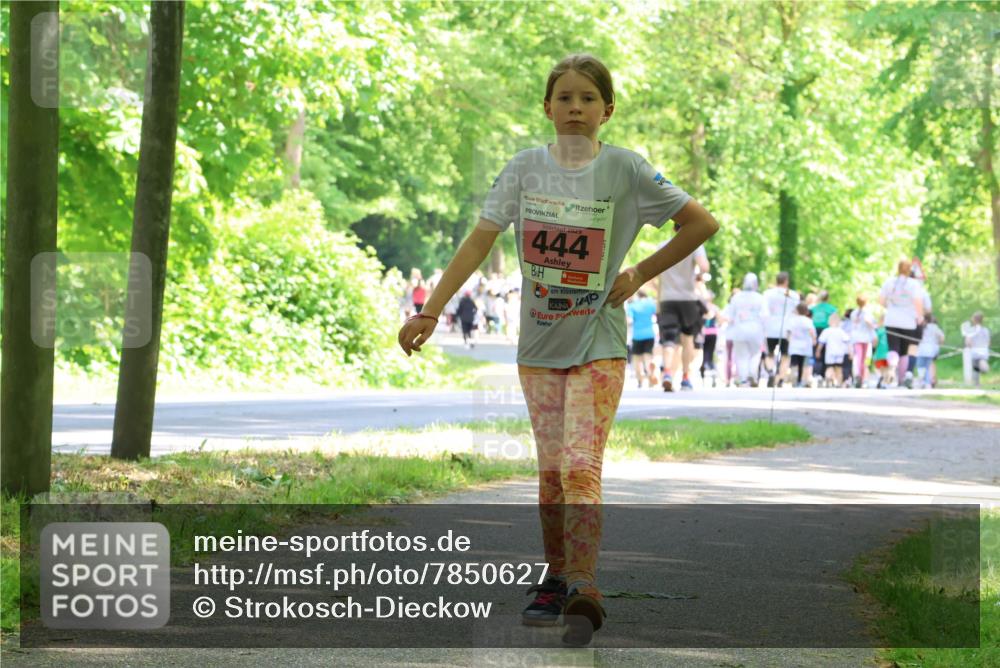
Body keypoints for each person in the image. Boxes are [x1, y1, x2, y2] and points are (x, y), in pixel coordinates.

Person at [397, 53, 719, 647]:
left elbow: (701, 222)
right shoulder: (524, 170)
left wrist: (639, 271)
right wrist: (431, 309)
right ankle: (555, 578)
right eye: (564, 97)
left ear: (607, 110)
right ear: (547, 108)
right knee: (551, 474)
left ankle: (584, 587)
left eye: (588, 98)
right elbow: (478, 242)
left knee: (580, 466)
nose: (575, 107)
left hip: (601, 339)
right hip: (539, 345)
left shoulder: (627, 169)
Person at [655, 229, 710, 392]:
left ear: (673, 229)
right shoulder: (695, 246)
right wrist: (698, 276)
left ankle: (667, 373)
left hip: (667, 297)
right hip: (687, 298)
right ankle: (685, 378)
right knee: (687, 339)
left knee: (669, 338)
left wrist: (659, 295)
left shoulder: (662, 246)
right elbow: (704, 267)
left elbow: (654, 273)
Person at [879, 259, 925, 388]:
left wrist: (891, 307)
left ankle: (892, 369)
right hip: (909, 321)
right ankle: (907, 375)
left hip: (892, 320)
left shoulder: (889, 282)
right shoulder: (913, 284)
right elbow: (918, 302)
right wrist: (919, 316)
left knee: (893, 348)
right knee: (908, 350)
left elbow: (881, 300)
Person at [722, 273, 769, 387]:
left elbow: (730, 316)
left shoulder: (736, 297)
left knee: (741, 355)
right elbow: (765, 315)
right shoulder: (760, 298)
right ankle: (752, 373)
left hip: (739, 330)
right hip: (756, 330)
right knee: (755, 354)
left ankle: (743, 379)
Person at [762, 271, 799, 388]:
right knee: (785, 355)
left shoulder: (767, 294)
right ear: (786, 281)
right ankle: (780, 378)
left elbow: (764, 312)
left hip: (770, 328)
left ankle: (771, 371)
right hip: (786, 328)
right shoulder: (793, 295)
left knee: (769, 354)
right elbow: (795, 313)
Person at [626, 290, 659, 388]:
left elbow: (629, 320)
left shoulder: (632, 306)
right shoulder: (650, 304)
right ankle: (650, 375)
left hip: (637, 335)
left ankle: (640, 380)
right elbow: (657, 313)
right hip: (650, 334)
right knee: (648, 357)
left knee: (637, 359)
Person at [787, 302, 817, 387]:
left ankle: (794, 378)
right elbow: (811, 331)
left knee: (794, 363)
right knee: (803, 364)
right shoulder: (808, 320)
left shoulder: (792, 320)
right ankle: (801, 380)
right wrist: (814, 340)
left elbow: (788, 332)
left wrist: (789, 340)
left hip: (794, 346)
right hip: (805, 346)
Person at [809, 290, 837, 382]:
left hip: (816, 330)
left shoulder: (814, 308)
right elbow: (834, 319)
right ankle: (823, 373)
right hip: (826, 331)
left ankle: (816, 373)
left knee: (816, 352)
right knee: (825, 352)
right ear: (828, 298)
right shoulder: (832, 308)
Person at [849, 295, 876, 388]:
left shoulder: (865, 313)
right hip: (859, 338)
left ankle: (862, 377)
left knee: (864, 359)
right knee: (859, 358)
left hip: (864, 339)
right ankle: (859, 376)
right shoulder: (856, 313)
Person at [818, 313, 850, 387]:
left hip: (830, 352)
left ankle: (828, 380)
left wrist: (818, 351)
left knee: (829, 367)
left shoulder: (826, 331)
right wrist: (850, 352)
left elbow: (821, 343)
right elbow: (847, 342)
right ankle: (839, 383)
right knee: (839, 368)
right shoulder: (841, 331)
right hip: (840, 353)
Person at [961, 311, 991, 386]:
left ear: (974, 319)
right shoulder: (986, 330)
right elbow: (988, 341)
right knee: (981, 362)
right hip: (984, 350)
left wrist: (968, 346)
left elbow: (968, 341)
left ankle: (977, 383)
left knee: (975, 368)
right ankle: (983, 367)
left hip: (975, 350)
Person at [915, 313, 944, 389]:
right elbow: (942, 338)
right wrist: (938, 344)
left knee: (920, 366)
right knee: (928, 367)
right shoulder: (935, 328)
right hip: (931, 350)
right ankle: (928, 382)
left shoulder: (921, 327)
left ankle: (922, 381)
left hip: (921, 350)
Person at [872, 316, 892, 388]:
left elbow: (875, 341)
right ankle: (885, 382)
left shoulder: (879, 331)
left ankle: (882, 378)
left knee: (881, 368)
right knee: (887, 368)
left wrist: (874, 346)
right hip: (889, 353)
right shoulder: (890, 331)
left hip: (880, 353)